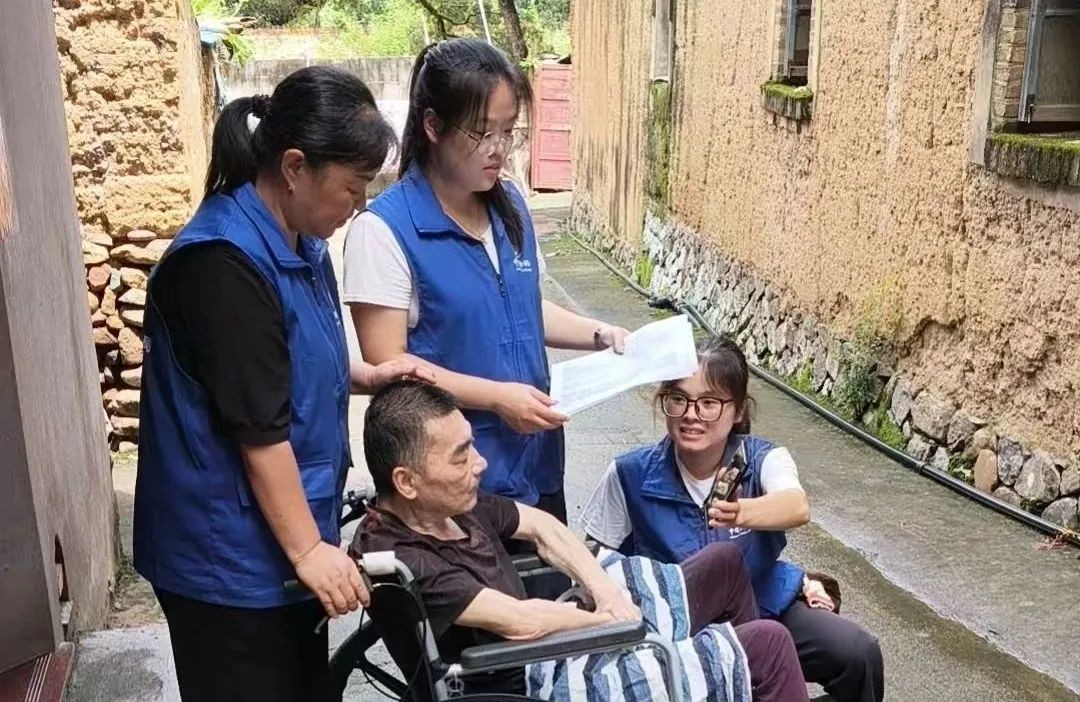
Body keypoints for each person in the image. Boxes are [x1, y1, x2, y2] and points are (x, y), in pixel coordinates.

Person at [133, 67, 431, 702]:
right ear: (295, 167)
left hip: (281, 542)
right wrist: (308, 552)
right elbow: (259, 431)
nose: (358, 206)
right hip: (227, 560)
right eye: (352, 188)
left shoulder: (300, 242)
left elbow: (281, 366)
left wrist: (368, 375)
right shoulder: (223, 264)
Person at [354, 381, 809, 702]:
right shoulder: (401, 556)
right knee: (767, 644)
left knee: (725, 561)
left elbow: (542, 527)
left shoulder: (449, 503)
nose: (480, 463)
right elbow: (520, 622)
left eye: (471, 446)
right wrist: (602, 623)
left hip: (554, 637)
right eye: (460, 457)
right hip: (535, 678)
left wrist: (606, 593)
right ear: (406, 481)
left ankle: (728, 686)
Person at [343, 38, 630, 528]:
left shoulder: (510, 205)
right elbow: (390, 367)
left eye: (508, 131)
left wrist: (600, 334)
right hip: (454, 483)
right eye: (481, 132)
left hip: (537, 463)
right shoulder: (384, 230)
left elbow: (523, 307)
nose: (498, 148)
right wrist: (497, 397)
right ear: (432, 126)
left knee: (549, 576)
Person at [579, 336, 884, 702]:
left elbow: (796, 505)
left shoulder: (762, 459)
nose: (691, 414)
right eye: (678, 399)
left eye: (709, 403)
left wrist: (743, 513)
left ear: (738, 410)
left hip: (765, 604)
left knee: (858, 652)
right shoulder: (629, 474)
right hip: (683, 628)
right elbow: (590, 564)